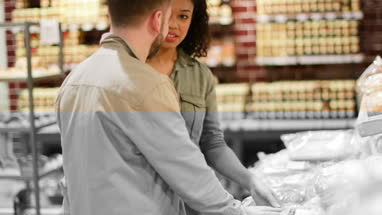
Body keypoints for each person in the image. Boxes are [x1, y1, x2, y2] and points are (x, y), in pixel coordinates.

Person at [55, 0, 281, 215]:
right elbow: (186, 170)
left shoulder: (75, 79)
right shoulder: (147, 84)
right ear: (157, 20)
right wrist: (235, 210)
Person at [147, 0, 280, 214]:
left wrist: (252, 181)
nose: (174, 25)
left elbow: (212, 142)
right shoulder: (130, 70)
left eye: (183, 16)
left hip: (192, 200)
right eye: (167, 15)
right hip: (144, 198)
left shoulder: (199, 75)